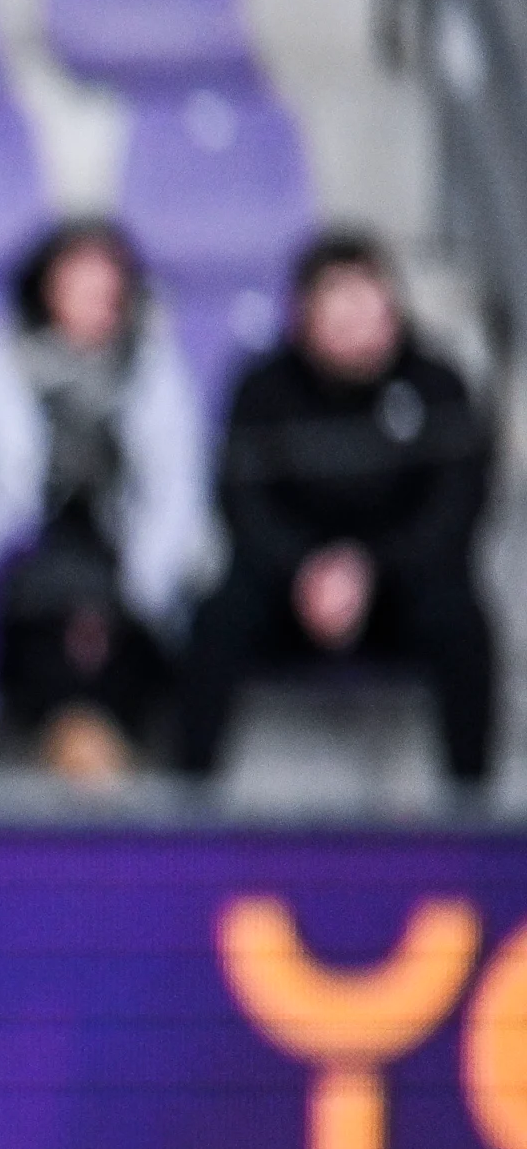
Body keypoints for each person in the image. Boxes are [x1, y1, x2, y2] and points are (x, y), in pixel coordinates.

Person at [173, 230, 504, 801]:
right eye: (337, 300)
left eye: (368, 298)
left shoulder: (438, 384)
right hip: (290, 587)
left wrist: (368, 569)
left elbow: (456, 510)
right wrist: (306, 570)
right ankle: (189, 804)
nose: (354, 317)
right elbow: (242, 505)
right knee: (217, 617)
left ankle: (469, 807)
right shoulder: (263, 388)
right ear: (305, 313)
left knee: (460, 617)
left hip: (400, 586)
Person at [0, 219, 211, 785]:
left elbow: (177, 486)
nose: (96, 303)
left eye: (107, 289)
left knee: (154, 628)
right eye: (80, 286)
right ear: (46, 287)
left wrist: (145, 573)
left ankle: (160, 772)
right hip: (20, 560)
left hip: (117, 562)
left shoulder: (155, 369)